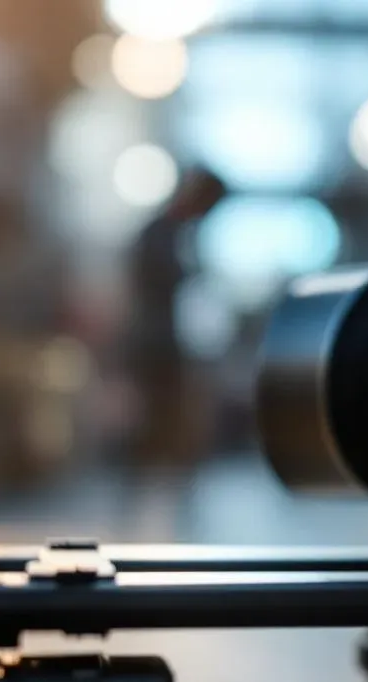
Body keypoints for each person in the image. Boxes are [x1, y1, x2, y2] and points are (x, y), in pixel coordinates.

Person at [126, 168, 226, 467]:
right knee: (157, 411)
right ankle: (153, 469)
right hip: (155, 339)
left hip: (169, 337)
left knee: (170, 411)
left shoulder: (178, 233)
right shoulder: (160, 232)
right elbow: (155, 282)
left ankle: (163, 471)